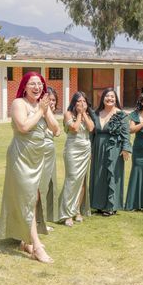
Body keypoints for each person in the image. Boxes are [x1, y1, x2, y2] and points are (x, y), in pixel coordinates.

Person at [0, 72, 60, 264]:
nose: (37, 87)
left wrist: (46, 110)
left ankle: (26, 241)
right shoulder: (19, 103)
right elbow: (23, 127)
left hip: (37, 157)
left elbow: (56, 129)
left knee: (31, 199)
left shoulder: (42, 104)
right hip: (21, 157)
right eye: (32, 84)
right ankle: (37, 246)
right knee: (26, 198)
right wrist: (41, 111)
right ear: (25, 86)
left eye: (40, 84)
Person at [89, 88, 132, 216]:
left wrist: (126, 149)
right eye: (107, 96)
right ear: (102, 98)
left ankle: (111, 206)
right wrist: (90, 149)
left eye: (112, 97)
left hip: (114, 148)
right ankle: (98, 204)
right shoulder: (96, 113)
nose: (110, 99)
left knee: (112, 174)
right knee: (99, 175)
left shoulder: (121, 115)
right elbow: (92, 133)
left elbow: (126, 134)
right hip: (97, 148)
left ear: (116, 99)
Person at [57, 91, 94, 226]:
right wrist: (79, 114)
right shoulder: (68, 114)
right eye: (78, 101)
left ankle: (77, 210)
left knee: (82, 181)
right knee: (72, 180)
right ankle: (67, 213)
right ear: (74, 102)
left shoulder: (87, 114)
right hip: (73, 150)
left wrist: (84, 113)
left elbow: (90, 128)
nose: (81, 103)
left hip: (85, 150)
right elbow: (74, 128)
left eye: (84, 101)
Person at [40, 86, 61, 228]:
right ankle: (39, 220)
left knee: (49, 185)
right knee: (40, 186)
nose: (52, 102)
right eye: (49, 99)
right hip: (40, 154)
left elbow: (57, 132)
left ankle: (45, 218)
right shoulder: (39, 114)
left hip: (50, 154)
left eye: (53, 100)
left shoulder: (51, 116)